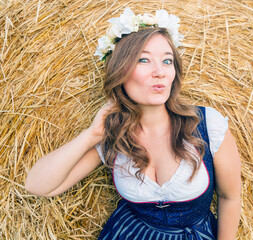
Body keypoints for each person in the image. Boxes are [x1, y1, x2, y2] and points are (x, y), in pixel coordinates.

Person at [25, 7, 241, 240]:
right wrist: (90, 135)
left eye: (167, 61)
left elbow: (230, 197)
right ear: (120, 70)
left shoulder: (207, 125)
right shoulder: (113, 136)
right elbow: (39, 186)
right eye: (144, 59)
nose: (160, 72)